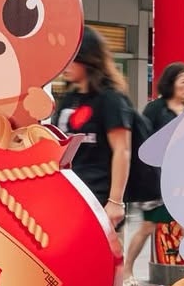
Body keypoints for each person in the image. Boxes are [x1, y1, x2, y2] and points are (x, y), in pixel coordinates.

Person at [121, 62, 184, 286]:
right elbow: (144, 143)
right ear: (171, 83)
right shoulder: (155, 110)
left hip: (181, 181)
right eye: (183, 81)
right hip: (156, 180)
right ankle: (127, 271)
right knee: (148, 227)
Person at [54, 26, 132, 232]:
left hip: (99, 198)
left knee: (100, 262)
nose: (66, 65)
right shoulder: (69, 99)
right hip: (68, 197)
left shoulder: (111, 99)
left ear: (88, 58)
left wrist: (116, 202)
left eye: (72, 58)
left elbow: (122, 150)